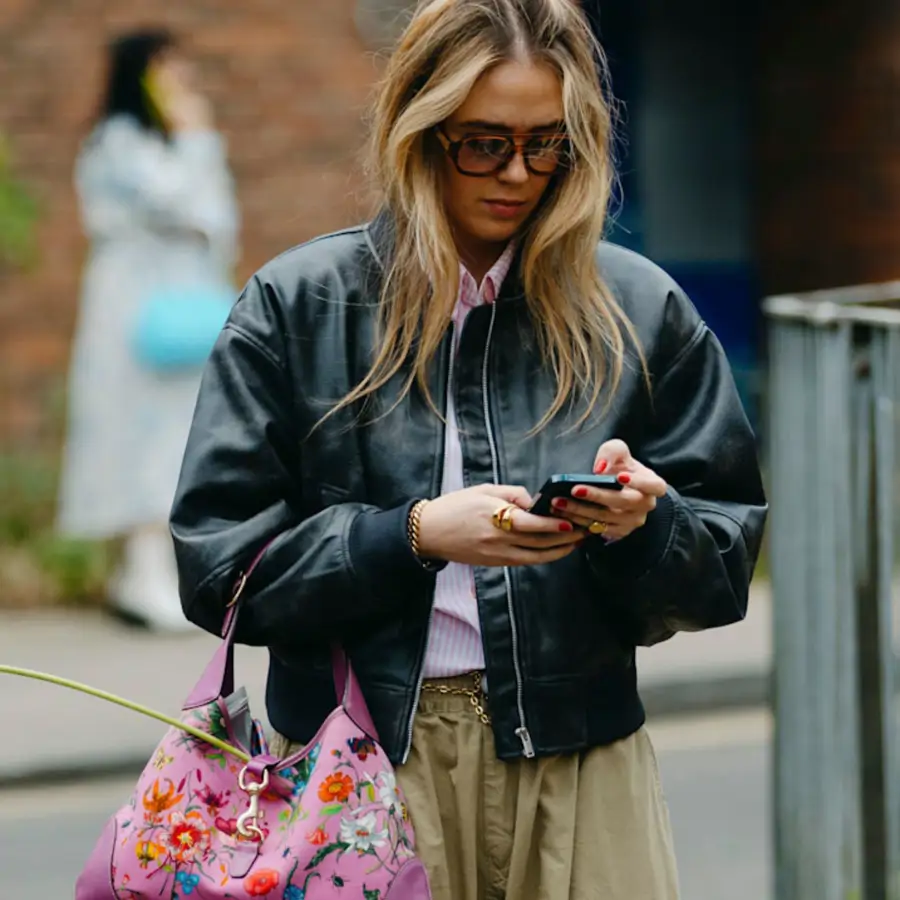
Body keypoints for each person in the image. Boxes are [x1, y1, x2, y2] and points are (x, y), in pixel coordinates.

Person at [170, 0, 767, 896]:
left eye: (547, 142)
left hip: (580, 763)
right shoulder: (296, 308)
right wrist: (411, 535)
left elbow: (722, 572)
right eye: (485, 142)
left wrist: (645, 524)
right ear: (421, 129)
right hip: (356, 761)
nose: (519, 173)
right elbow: (219, 572)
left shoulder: (639, 310)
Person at [58, 28, 239, 631]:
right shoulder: (119, 143)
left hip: (179, 303)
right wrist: (194, 135)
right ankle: (142, 574)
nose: (178, 77)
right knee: (138, 435)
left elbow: (218, 216)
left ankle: (146, 574)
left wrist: (194, 139)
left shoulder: (168, 141)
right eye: (164, 64)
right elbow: (183, 203)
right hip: (135, 309)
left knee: (177, 435)